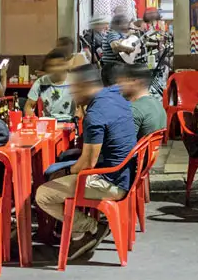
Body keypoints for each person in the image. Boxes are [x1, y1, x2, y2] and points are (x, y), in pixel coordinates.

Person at [35, 64, 136, 260]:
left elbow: (87, 164)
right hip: (125, 174)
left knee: (43, 193)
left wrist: (64, 172)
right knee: (62, 173)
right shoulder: (115, 96)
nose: (72, 94)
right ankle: (77, 233)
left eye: (75, 88)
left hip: (111, 182)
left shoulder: (96, 114)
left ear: (86, 86)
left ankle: (92, 228)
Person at [114, 64, 167, 137]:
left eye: (122, 82)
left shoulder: (134, 110)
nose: (119, 86)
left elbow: (122, 146)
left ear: (135, 82)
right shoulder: (158, 104)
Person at [24, 49, 76, 121]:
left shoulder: (75, 81)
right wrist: (33, 119)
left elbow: (82, 107)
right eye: (51, 66)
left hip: (70, 122)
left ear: (66, 65)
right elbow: (28, 106)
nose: (55, 69)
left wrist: (77, 119)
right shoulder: (41, 82)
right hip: (48, 123)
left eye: (59, 65)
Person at [99, 13, 133, 86]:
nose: (128, 25)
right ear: (119, 24)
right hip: (112, 68)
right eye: (126, 23)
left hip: (116, 67)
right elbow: (115, 46)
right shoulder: (112, 33)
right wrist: (130, 49)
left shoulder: (118, 34)